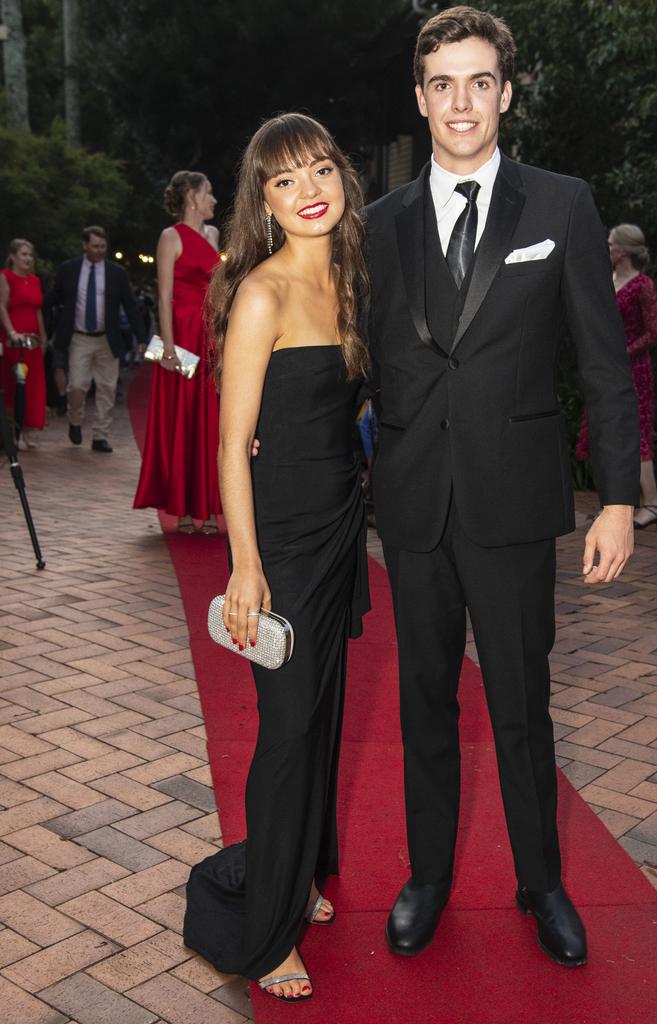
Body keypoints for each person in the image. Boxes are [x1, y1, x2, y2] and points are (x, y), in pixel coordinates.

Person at [365, 6, 638, 968]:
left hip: (516, 505)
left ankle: (542, 882)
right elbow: (363, 365)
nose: (461, 102)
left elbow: (604, 365)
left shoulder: (560, 205)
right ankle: (427, 877)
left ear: (506, 92)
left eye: (479, 81)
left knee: (522, 704)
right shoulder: (380, 222)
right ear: (420, 97)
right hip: (414, 503)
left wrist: (614, 498)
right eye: (442, 83)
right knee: (424, 700)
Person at [182, 114, 370, 1001]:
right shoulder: (260, 293)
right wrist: (245, 566)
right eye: (285, 181)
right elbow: (232, 446)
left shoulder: (347, 277)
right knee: (289, 731)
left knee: (323, 716)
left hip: (339, 527)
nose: (309, 191)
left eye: (321, 170)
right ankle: (266, 929)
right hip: (284, 542)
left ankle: (295, 872)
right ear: (262, 200)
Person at [133, 171, 223, 532]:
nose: (214, 199)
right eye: (209, 192)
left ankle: (214, 505)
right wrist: (169, 347)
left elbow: (218, 290)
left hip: (211, 333)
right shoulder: (169, 237)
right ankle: (184, 509)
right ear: (192, 197)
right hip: (182, 336)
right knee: (183, 419)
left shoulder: (214, 235)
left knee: (212, 420)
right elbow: (165, 296)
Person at [576, 224, 657, 529]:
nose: (607, 248)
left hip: (634, 370)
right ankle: (610, 506)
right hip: (602, 370)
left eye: (611, 244)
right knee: (601, 432)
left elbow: (654, 332)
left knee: (634, 435)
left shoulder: (643, 285)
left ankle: (652, 504)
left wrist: (622, 352)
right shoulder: (606, 279)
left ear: (624, 250)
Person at [50, 226, 146, 452]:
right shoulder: (69, 269)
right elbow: (55, 298)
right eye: (95, 246)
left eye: (103, 247)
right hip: (79, 337)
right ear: (85, 246)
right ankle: (75, 420)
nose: (99, 251)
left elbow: (130, 306)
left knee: (106, 388)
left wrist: (141, 336)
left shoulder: (117, 273)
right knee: (77, 385)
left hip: (107, 339)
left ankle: (100, 435)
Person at [0, 239, 47, 449]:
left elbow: (38, 310)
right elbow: (1, 306)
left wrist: (44, 337)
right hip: (14, 340)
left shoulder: (35, 280)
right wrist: (11, 331)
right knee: (14, 382)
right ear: (13, 256)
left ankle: (26, 432)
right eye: (24, 254)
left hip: (33, 342)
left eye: (30, 255)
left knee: (32, 385)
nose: (28, 259)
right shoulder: (6, 277)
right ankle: (13, 431)